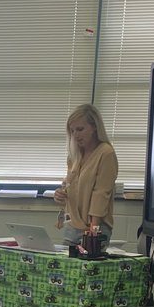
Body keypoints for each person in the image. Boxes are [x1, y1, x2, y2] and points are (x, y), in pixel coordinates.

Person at [54, 104, 117, 246]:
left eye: (80, 129)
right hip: (73, 225)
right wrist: (60, 194)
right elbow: (70, 185)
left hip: (95, 226)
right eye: (72, 131)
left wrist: (93, 231)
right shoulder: (74, 155)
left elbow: (101, 194)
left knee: (87, 266)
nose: (75, 135)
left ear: (94, 127)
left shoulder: (106, 153)